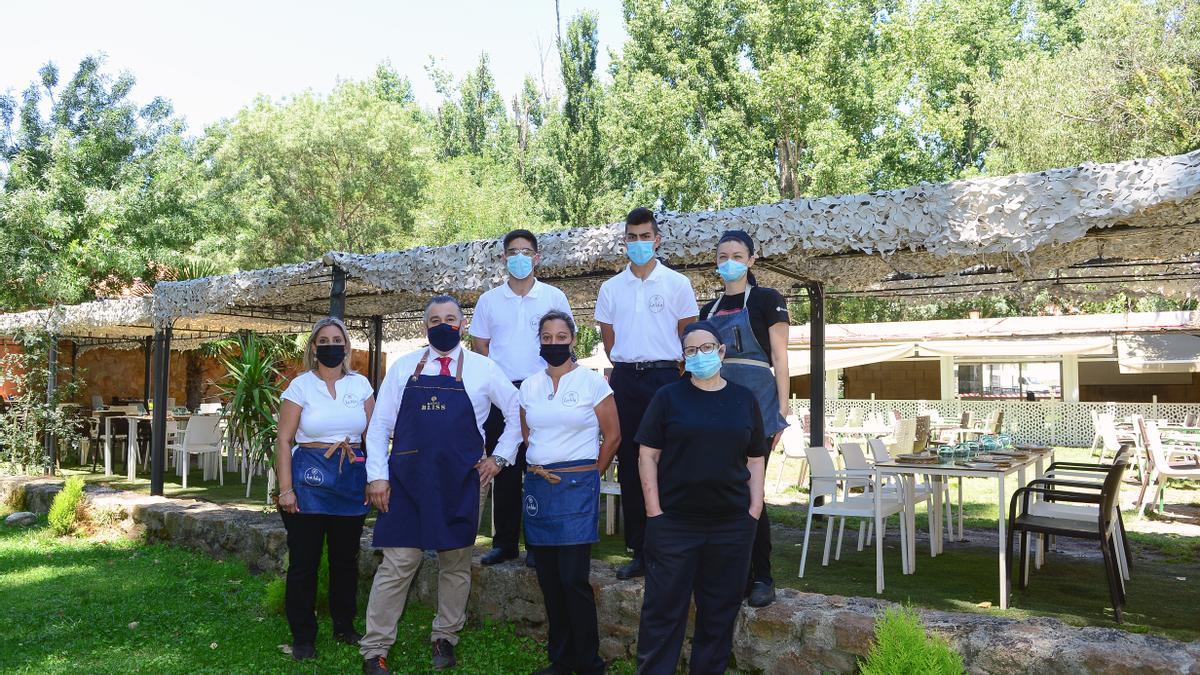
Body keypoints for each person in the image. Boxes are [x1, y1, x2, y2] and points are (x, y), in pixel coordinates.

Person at [359, 296, 522, 675]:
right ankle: (375, 648)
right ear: (424, 327)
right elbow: (380, 426)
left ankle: (445, 636)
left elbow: (517, 410)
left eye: (450, 318)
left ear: (462, 325)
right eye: (435, 319)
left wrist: (500, 458)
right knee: (399, 562)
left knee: (455, 563)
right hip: (406, 480)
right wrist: (377, 476)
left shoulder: (484, 369)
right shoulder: (402, 368)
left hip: (461, 480)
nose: (443, 324)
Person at [634, 321, 767, 675]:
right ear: (683, 358)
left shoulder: (743, 399)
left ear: (722, 352)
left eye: (706, 348)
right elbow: (647, 455)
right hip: (674, 525)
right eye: (691, 350)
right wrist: (654, 512)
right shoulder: (667, 398)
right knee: (662, 614)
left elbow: (756, 458)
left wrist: (754, 509)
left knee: (719, 616)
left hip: (731, 527)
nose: (699, 355)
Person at [594, 207, 698, 580]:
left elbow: (689, 334)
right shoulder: (610, 288)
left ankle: (673, 549)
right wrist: (630, 364)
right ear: (625, 241)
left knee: (669, 462)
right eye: (631, 237)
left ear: (657, 239)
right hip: (624, 380)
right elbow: (609, 341)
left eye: (644, 236)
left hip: (666, 379)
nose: (638, 243)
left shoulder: (677, 283)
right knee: (632, 462)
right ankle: (639, 549)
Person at [519, 310, 620, 675]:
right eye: (547, 337)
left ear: (573, 340)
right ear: (540, 342)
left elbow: (613, 436)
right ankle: (560, 660)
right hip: (539, 486)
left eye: (561, 337)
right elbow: (529, 434)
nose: (554, 343)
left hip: (577, 484)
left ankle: (589, 662)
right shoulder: (529, 386)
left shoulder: (593, 383)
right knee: (548, 577)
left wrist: (592, 473)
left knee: (573, 578)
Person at [698, 229, 791, 608]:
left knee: (751, 493)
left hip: (758, 408)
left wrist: (782, 413)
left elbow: (781, 358)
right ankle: (735, 574)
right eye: (722, 256)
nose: (729, 261)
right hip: (716, 408)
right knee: (721, 493)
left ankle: (763, 576)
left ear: (752, 260)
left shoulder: (769, 300)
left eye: (737, 254)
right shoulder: (709, 310)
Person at [472, 229, 574, 568]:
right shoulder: (488, 300)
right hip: (501, 395)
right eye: (513, 251)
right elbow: (481, 348)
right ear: (504, 258)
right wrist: (497, 385)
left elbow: (562, 342)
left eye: (526, 251)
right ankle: (504, 543)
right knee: (504, 467)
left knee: (539, 465)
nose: (519, 257)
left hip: (542, 389)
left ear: (537, 257)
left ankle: (538, 543)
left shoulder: (554, 296)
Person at [275, 317, 375, 661]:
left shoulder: (361, 385)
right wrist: (286, 490)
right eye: (324, 340)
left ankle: (344, 626)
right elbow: (285, 441)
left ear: (346, 348)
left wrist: (374, 479)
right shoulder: (300, 386)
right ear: (314, 348)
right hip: (308, 482)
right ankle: (303, 636)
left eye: (338, 340)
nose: (332, 345)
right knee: (304, 563)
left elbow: (373, 437)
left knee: (345, 561)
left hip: (350, 481)